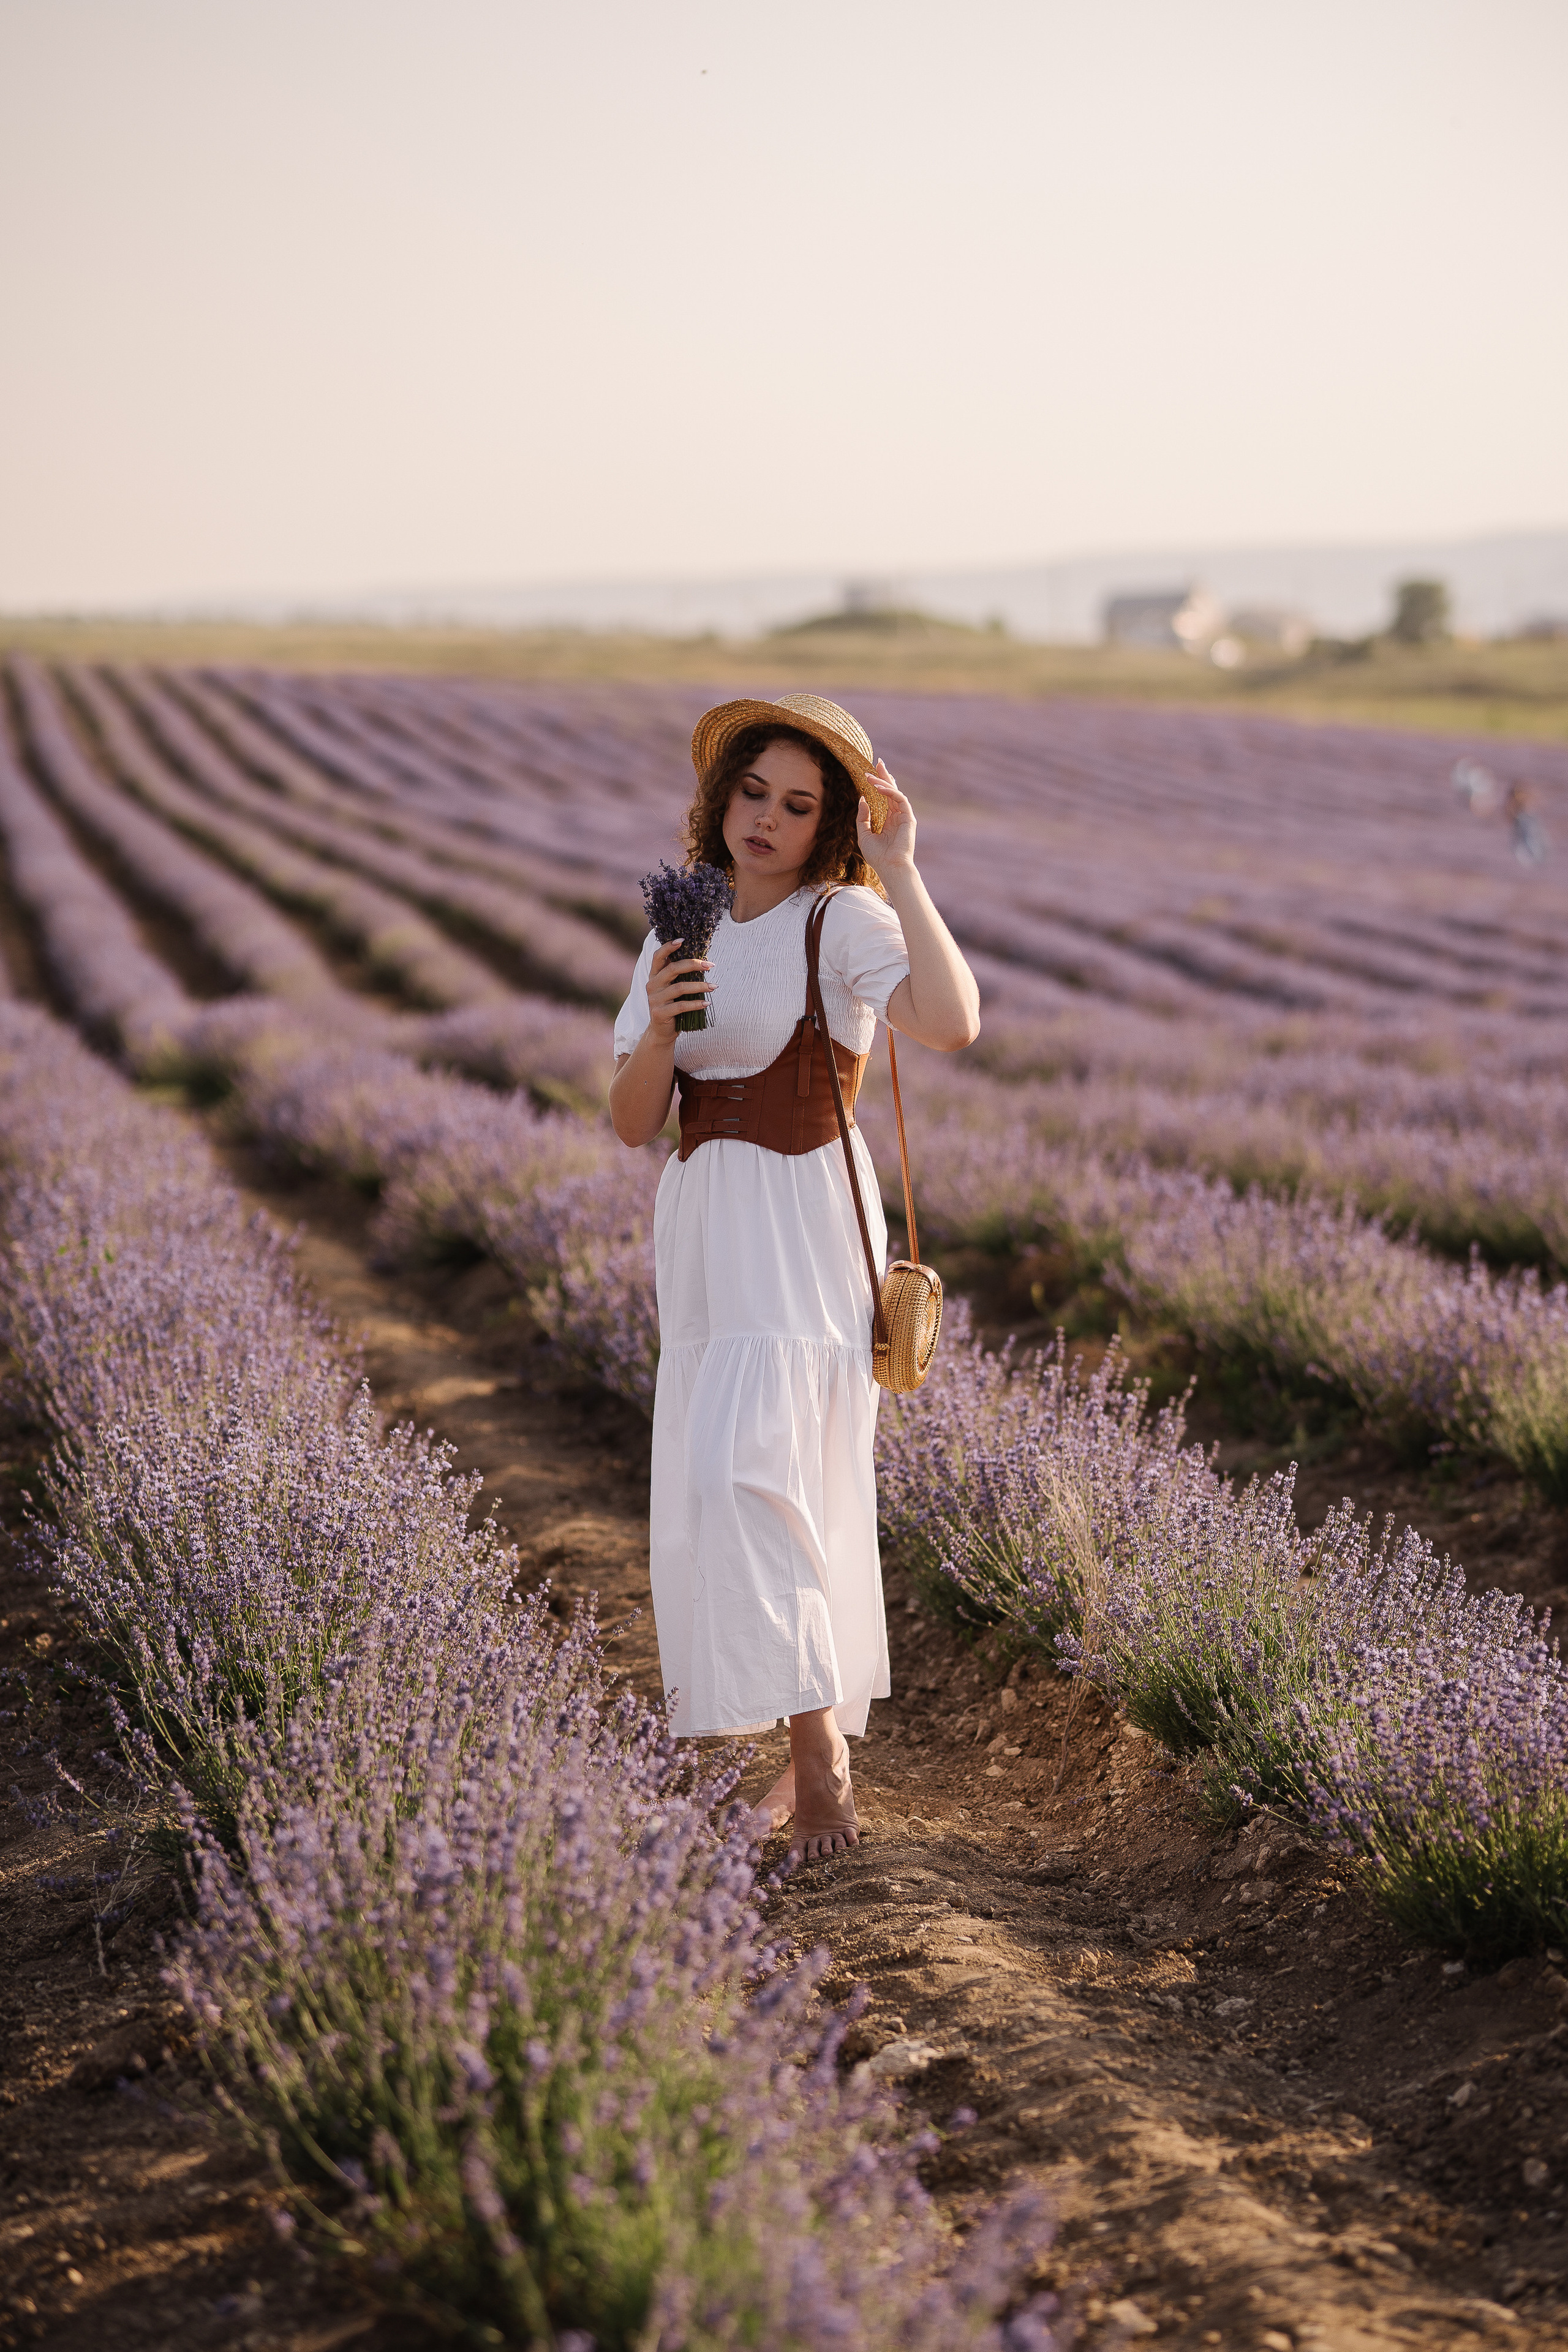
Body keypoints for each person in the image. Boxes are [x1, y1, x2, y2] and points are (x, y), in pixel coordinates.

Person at [610, 693, 980, 1860]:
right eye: (753, 792)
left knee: (753, 1473)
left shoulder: (843, 918)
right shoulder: (681, 923)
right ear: (722, 797)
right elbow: (632, 1120)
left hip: (805, 1220)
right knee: (756, 1482)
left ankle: (821, 1762)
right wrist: (660, 1028)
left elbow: (952, 1022)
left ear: (831, 825)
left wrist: (900, 868)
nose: (766, 818)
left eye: (799, 804)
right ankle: (804, 1744)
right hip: (706, 1226)